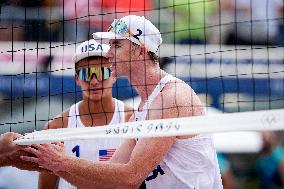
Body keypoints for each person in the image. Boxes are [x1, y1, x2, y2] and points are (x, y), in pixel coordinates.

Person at [22, 15, 223, 189]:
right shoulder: (142, 109)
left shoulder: (171, 98)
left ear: (140, 51)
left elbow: (129, 178)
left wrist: (62, 162)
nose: (108, 53)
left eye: (116, 45)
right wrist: (55, 164)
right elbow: (109, 184)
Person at [38, 39, 133, 189]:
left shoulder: (133, 120)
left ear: (114, 75)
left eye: (101, 72)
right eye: (86, 73)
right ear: (77, 79)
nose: (94, 81)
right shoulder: (56, 127)